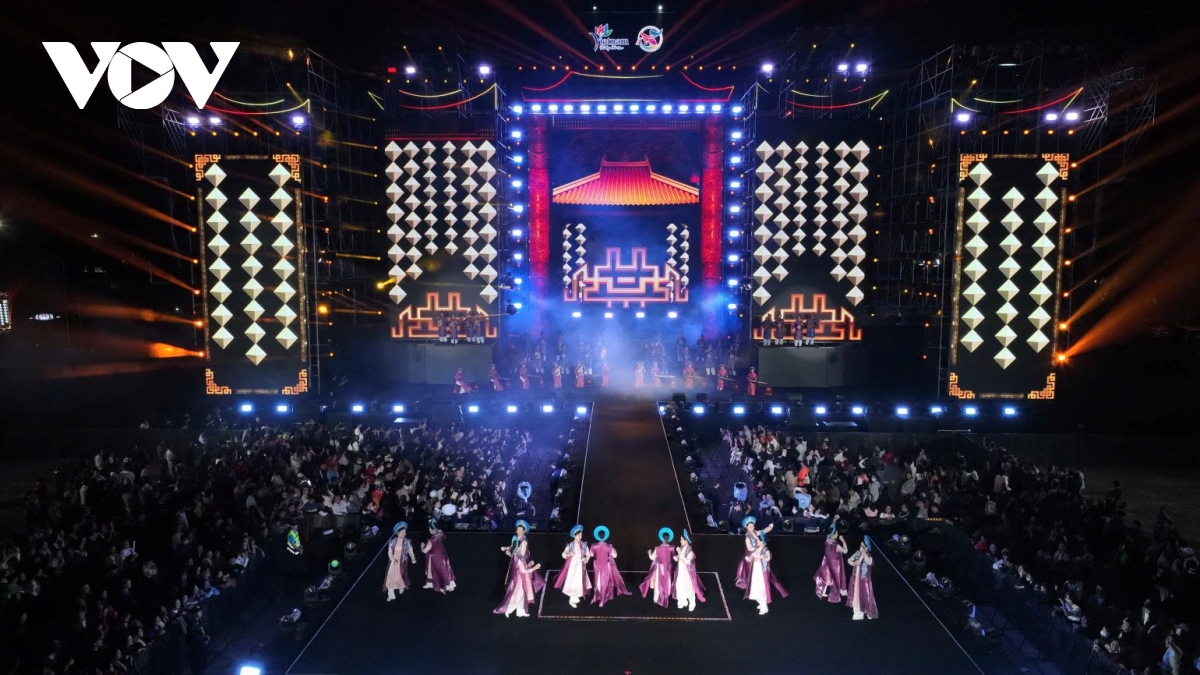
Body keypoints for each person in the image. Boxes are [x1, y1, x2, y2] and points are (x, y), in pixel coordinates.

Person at [494, 537, 543, 617]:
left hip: (521, 578)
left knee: (521, 595)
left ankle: (520, 611)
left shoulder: (519, 556)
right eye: (519, 547)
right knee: (517, 595)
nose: (521, 547)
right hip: (519, 579)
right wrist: (534, 568)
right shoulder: (519, 558)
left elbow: (523, 564)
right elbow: (523, 571)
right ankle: (508, 609)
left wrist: (529, 564)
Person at [590, 525, 630, 607]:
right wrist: (613, 550)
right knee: (604, 582)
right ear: (605, 536)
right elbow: (615, 555)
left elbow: (591, 555)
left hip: (597, 566)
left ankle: (596, 597)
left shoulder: (593, 545)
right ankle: (602, 600)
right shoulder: (609, 546)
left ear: (597, 536)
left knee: (597, 582)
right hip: (605, 566)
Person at [554, 524, 593, 607]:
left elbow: (588, 554)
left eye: (581, 535)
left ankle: (576, 595)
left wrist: (585, 559)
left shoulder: (584, 544)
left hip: (580, 565)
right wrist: (569, 554)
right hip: (572, 565)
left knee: (579, 580)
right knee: (571, 580)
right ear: (574, 536)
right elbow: (563, 554)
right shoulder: (570, 545)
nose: (580, 537)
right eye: (578, 535)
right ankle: (572, 597)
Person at [749, 537, 788, 614]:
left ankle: (764, 607)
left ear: (762, 542)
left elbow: (768, 558)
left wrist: (762, 557)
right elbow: (753, 556)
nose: (757, 542)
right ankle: (761, 603)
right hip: (756, 569)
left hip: (761, 570)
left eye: (759, 541)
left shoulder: (765, 550)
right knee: (755, 586)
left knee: (761, 587)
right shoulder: (757, 549)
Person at [814, 517, 848, 601]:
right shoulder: (836, 545)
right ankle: (833, 594)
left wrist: (834, 521)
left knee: (826, 577)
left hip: (827, 563)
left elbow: (830, 529)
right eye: (836, 533)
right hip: (834, 565)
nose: (837, 534)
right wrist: (843, 541)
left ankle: (822, 591)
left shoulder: (827, 540)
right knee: (833, 579)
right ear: (833, 534)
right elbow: (845, 551)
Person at [640, 528, 676, 608]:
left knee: (658, 582)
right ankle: (666, 595)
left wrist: (649, 553)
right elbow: (674, 558)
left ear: (662, 538)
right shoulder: (672, 548)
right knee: (668, 581)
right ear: (669, 539)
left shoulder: (657, 548)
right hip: (668, 569)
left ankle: (656, 598)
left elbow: (652, 558)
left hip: (660, 568)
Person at [736, 516, 773, 589]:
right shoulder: (748, 536)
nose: (752, 528)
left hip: (759, 552)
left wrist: (770, 527)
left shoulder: (755, 532)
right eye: (750, 527)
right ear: (747, 527)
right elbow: (749, 548)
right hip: (753, 554)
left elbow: (763, 531)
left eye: (752, 526)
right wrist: (758, 547)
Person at [673, 530, 706, 611]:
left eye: (681, 539)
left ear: (686, 541)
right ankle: (682, 600)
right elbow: (679, 558)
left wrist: (679, 553)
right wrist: (676, 557)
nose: (680, 541)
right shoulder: (682, 548)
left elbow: (688, 561)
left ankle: (692, 603)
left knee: (689, 587)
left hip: (688, 573)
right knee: (679, 585)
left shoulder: (690, 552)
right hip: (681, 571)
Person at [421, 519, 456, 593]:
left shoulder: (432, 539)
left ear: (434, 529)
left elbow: (425, 551)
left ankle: (443, 586)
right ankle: (431, 583)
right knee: (444, 569)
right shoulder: (441, 534)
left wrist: (422, 546)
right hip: (443, 556)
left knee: (439, 571)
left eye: (430, 529)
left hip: (435, 557)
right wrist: (433, 523)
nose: (429, 530)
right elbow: (443, 535)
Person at [846, 539, 878, 620]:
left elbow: (869, 562)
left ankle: (868, 611)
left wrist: (864, 553)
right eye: (860, 546)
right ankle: (858, 614)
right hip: (856, 578)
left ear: (866, 548)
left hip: (864, 580)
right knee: (856, 595)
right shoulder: (857, 553)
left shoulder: (869, 557)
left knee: (866, 596)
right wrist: (853, 563)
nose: (860, 548)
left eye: (862, 547)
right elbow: (849, 560)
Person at [383, 522, 415, 600]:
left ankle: (401, 586)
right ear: (398, 532)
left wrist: (413, 558)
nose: (404, 534)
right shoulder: (392, 541)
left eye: (405, 532)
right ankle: (390, 593)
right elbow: (390, 552)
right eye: (402, 532)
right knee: (390, 577)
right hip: (394, 562)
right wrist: (392, 559)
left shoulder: (406, 541)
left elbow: (410, 550)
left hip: (402, 562)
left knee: (400, 576)